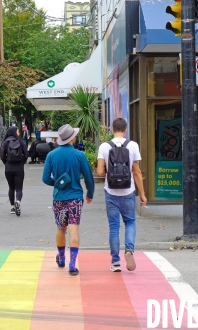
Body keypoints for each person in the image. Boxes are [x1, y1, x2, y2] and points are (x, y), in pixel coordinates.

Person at [42, 124, 94, 276]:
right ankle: (72, 264)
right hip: (76, 198)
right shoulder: (79, 155)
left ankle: (62, 258)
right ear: (72, 138)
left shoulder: (51, 155)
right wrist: (90, 193)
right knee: (74, 229)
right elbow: (89, 178)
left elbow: (45, 178)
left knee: (60, 229)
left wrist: (57, 184)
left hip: (59, 198)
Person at [96, 118, 147, 272]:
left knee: (113, 227)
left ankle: (115, 262)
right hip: (128, 192)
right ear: (126, 130)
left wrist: (110, 173)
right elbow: (136, 172)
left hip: (110, 192)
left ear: (112, 130)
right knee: (130, 222)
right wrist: (142, 194)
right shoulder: (132, 146)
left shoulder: (104, 146)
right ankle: (129, 250)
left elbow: (99, 172)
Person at [0, 126, 28, 216]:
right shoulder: (21, 141)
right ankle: (18, 202)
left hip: (8, 167)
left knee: (11, 187)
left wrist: (6, 162)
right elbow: (26, 154)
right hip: (19, 167)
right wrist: (22, 162)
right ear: (15, 132)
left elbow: (2, 155)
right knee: (19, 188)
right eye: (18, 131)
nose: (19, 133)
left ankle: (12, 207)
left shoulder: (5, 142)